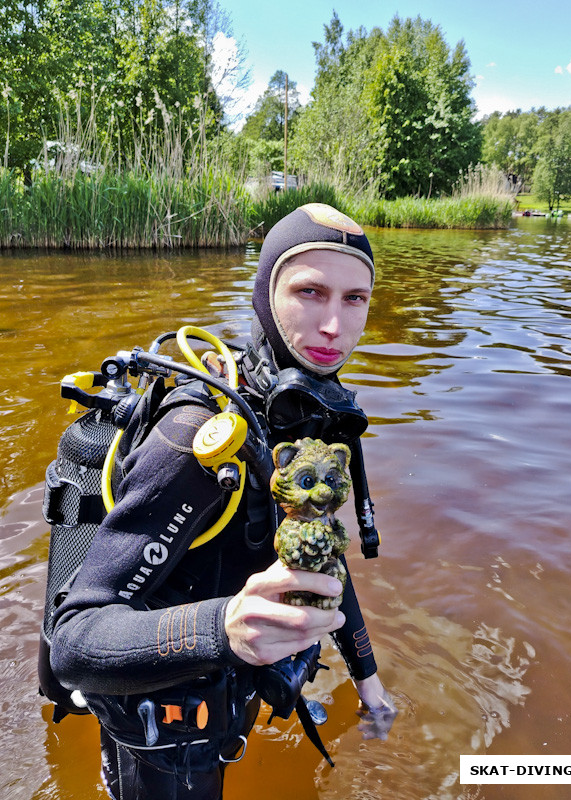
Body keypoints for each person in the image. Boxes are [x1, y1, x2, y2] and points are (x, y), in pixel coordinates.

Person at [50, 203, 397, 800]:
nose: (335, 326)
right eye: (310, 292)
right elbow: (74, 641)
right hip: (160, 721)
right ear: (265, 294)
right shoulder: (197, 436)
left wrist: (368, 682)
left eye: (355, 298)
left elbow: (322, 557)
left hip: (225, 682)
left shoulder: (304, 417)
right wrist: (224, 628)